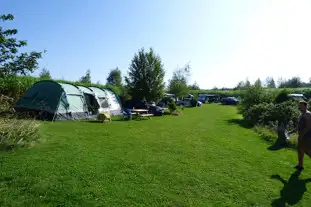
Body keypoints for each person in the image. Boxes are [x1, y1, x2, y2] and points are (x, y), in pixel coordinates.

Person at [295, 101, 311, 171]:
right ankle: (300, 165)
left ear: (305, 106)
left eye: (301, 106)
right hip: (301, 136)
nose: (300, 107)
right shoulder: (301, 114)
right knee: (300, 151)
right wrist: (292, 131)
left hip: (307, 136)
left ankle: (300, 165)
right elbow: (299, 125)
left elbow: (308, 127)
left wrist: (302, 135)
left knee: (308, 151)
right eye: (299, 106)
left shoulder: (308, 114)